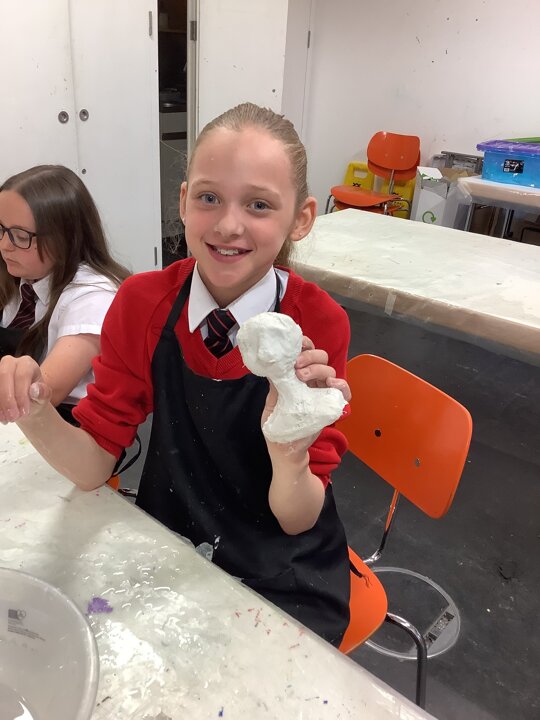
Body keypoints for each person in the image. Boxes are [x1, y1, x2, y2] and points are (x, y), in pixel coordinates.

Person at [0, 104, 352, 646]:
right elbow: (93, 466)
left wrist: (290, 451)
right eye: (209, 198)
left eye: (259, 204)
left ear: (301, 219)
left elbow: (297, 518)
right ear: (183, 201)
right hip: (173, 538)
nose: (228, 225)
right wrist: (33, 407)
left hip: (282, 562)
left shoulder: (318, 321)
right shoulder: (142, 302)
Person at [0, 165, 130, 422]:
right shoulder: (19, 273)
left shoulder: (93, 296)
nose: (5, 245)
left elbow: (41, 395)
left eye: (20, 236)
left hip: (65, 426)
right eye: (1, 229)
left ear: (65, 238)